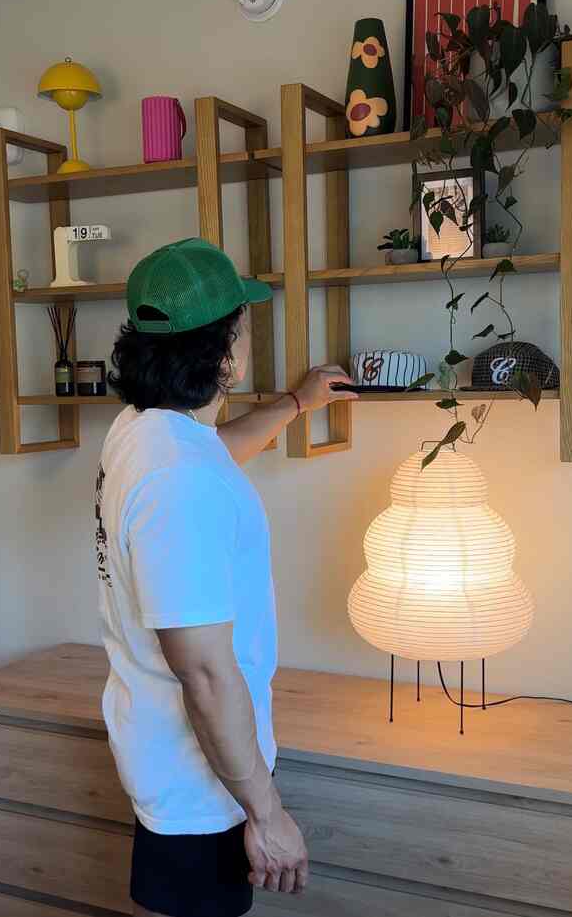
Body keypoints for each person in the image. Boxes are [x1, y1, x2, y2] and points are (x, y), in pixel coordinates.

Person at [95, 238, 357, 917]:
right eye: (241, 326)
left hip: (174, 765)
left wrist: (297, 403)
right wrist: (266, 813)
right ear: (229, 354)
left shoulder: (143, 431)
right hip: (202, 788)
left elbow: (216, 451)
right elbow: (205, 674)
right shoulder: (178, 481)